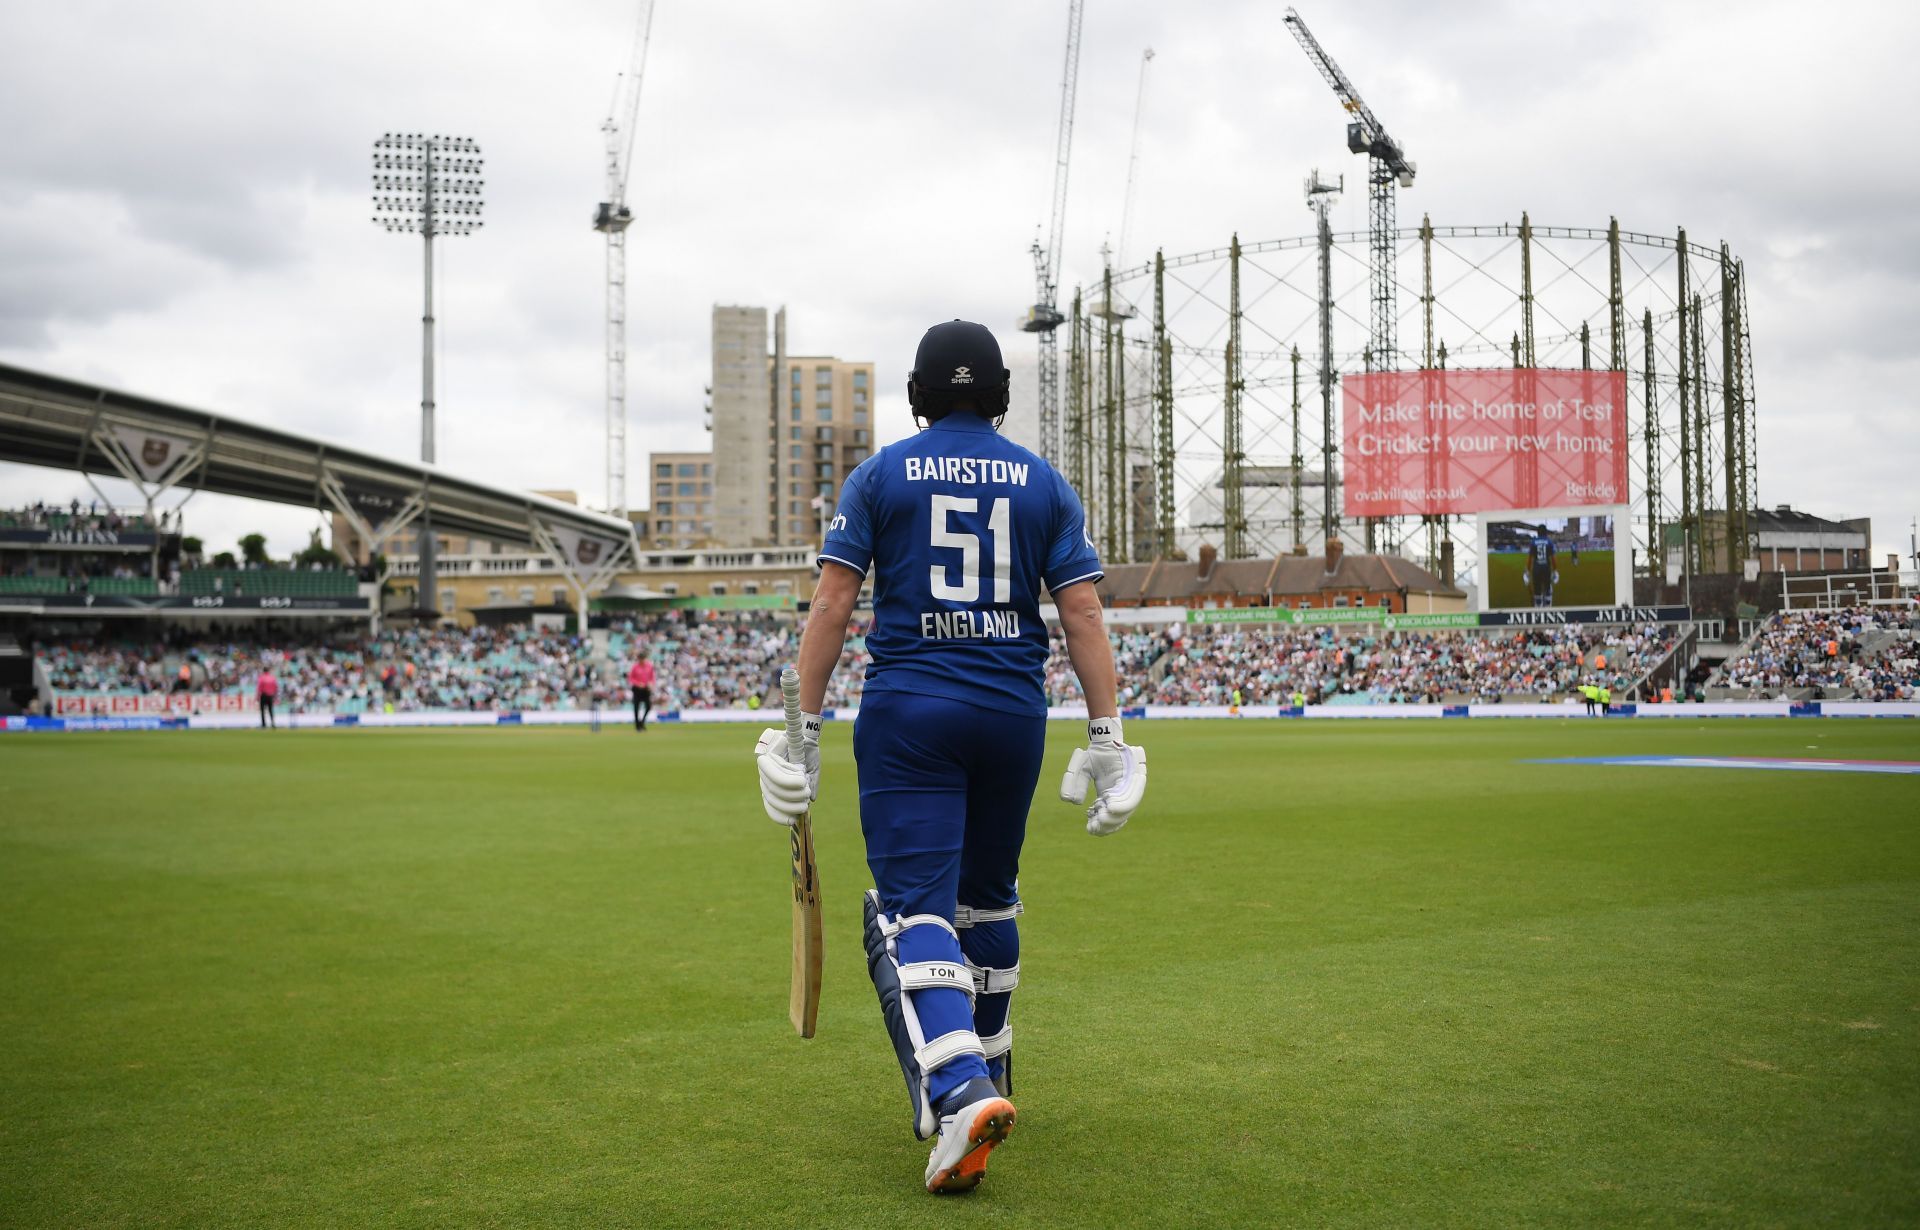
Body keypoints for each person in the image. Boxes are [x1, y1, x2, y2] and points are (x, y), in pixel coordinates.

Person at [754, 320, 1146, 1195]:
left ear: (918, 396)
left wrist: (801, 730)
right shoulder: (1043, 481)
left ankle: (962, 1087)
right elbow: (1081, 616)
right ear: (999, 393)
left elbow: (832, 605)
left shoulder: (882, 472)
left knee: (911, 911)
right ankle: (995, 1068)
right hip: (1013, 710)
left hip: (912, 712)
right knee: (987, 902)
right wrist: (1109, 737)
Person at [1524, 524, 1557, 608]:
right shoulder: (1549, 541)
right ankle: (1548, 606)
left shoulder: (1533, 542)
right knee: (1547, 588)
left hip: (1536, 569)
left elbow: (1530, 559)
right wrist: (1555, 570)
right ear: (1546, 532)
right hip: (1546, 568)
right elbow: (1553, 558)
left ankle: (1538, 606)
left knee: (1537, 590)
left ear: (1537, 532)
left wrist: (1527, 571)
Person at [628, 652, 655, 731]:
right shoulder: (635, 667)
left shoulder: (649, 666)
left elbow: (652, 677)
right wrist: (637, 684)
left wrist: (651, 683)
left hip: (646, 689)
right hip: (637, 689)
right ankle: (637, 726)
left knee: (648, 706)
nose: (642, 660)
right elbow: (630, 678)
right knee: (636, 707)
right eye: (641, 659)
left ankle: (642, 721)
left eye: (643, 659)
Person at [256, 664, 278, 729]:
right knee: (271, 710)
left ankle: (264, 724)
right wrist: (275, 696)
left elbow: (259, 688)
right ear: (268, 671)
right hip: (270, 695)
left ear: (263, 671)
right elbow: (275, 687)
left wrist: (257, 697)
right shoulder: (272, 678)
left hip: (263, 695)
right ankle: (273, 723)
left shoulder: (261, 678)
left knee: (262, 710)